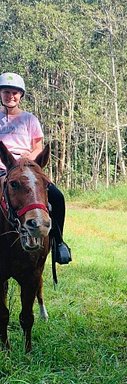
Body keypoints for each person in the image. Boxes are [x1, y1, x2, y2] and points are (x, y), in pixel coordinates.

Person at [0, 72, 72, 264]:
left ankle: (58, 243)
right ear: (1, 94)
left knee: (57, 196)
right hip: (2, 167)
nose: (11, 96)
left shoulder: (29, 119)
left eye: (15, 93)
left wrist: (26, 163)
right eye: (7, 92)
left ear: (21, 95)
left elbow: (38, 146)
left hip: (26, 168)